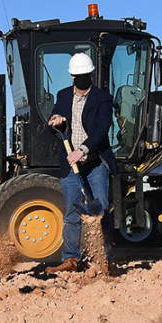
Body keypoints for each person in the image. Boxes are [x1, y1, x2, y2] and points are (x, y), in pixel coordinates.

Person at [45, 52, 115, 274]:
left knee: (100, 210)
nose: (82, 79)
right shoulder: (63, 95)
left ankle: (102, 257)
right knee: (71, 214)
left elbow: (102, 130)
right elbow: (58, 115)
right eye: (78, 75)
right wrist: (56, 119)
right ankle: (71, 258)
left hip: (94, 164)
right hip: (70, 166)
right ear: (72, 76)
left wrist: (82, 150)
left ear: (91, 74)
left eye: (85, 75)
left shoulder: (102, 98)